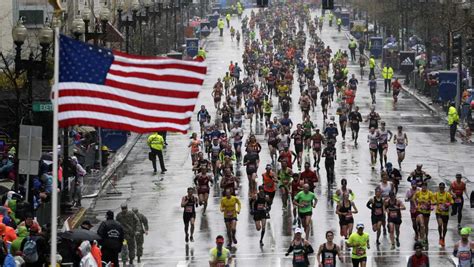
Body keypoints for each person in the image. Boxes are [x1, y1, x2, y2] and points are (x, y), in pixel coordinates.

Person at [413, 182, 434, 247]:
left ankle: (426, 238)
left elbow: (433, 201)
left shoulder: (430, 193)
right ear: (421, 187)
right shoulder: (418, 192)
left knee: (426, 225)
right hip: (420, 211)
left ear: (426, 187)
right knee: (422, 225)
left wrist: (430, 204)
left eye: (425, 186)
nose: (424, 187)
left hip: (427, 212)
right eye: (423, 186)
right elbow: (413, 199)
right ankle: (421, 239)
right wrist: (416, 205)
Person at [433, 182, 453, 247]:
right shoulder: (436, 194)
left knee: (445, 227)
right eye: (440, 187)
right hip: (438, 213)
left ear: (444, 188)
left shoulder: (447, 194)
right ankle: (440, 236)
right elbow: (432, 201)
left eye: (442, 188)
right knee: (440, 224)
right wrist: (434, 203)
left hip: (445, 213)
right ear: (439, 188)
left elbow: (452, 201)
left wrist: (448, 204)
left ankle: (443, 238)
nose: (441, 188)